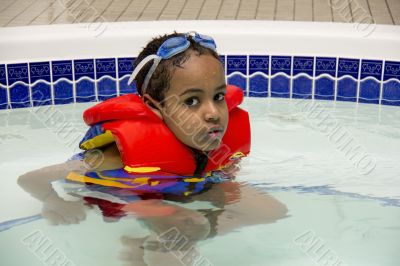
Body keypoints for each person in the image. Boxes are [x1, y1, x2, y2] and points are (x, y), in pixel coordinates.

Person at [18, 32, 287, 266]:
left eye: (218, 97)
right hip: (129, 195)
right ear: (155, 106)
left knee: (270, 210)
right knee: (186, 229)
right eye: (192, 101)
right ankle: (151, 251)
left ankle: (148, 242)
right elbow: (30, 178)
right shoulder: (114, 154)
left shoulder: (207, 138)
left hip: (178, 186)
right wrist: (55, 203)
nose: (213, 113)